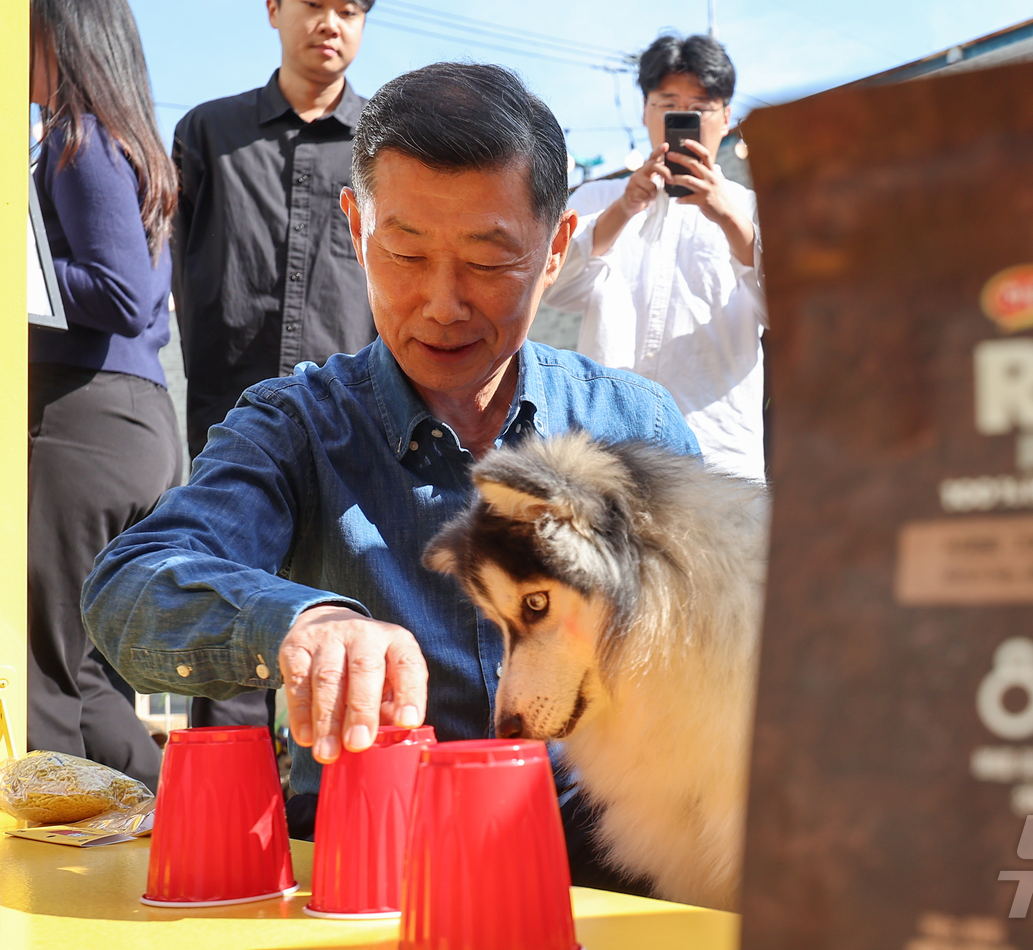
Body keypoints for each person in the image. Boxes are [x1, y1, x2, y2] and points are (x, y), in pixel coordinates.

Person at [84, 63, 700, 889]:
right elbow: (131, 587)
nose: (441, 303)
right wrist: (302, 624)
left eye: (489, 261)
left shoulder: (636, 429)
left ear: (555, 251)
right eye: (405, 252)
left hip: (602, 867)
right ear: (354, 228)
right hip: (366, 870)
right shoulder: (297, 426)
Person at [171, 0, 376, 731]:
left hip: (354, 421)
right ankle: (229, 829)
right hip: (232, 418)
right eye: (314, 4)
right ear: (273, 11)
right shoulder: (206, 133)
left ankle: (338, 823)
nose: (331, 22)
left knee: (353, 618)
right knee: (226, 608)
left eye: (350, 9)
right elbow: (174, 269)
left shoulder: (386, 147)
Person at [27, 0, 181, 789]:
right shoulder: (131, 144)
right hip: (140, 425)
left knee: (40, 669)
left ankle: (25, 894)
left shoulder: (75, 139)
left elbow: (117, 291)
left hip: (82, 420)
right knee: (91, 678)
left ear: (62, 34)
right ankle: (168, 828)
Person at [544, 34, 767, 482]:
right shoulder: (599, 197)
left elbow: (792, 313)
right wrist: (623, 208)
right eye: (667, 103)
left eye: (700, 106)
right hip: (609, 448)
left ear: (726, 117)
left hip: (718, 451)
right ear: (646, 111)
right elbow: (554, 288)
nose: (681, 116)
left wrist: (729, 220)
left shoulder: (756, 207)